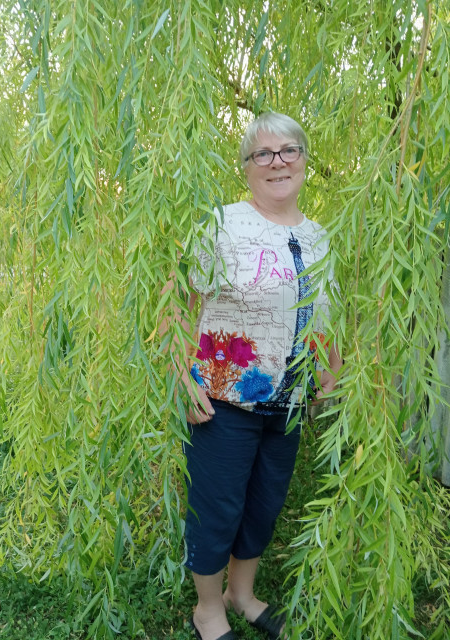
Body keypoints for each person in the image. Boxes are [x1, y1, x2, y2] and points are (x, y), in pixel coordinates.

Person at [179, 112, 342, 640]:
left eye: (288, 150)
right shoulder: (220, 225)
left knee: (265, 503)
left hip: (290, 401)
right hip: (225, 398)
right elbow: (177, 312)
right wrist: (184, 380)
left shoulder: (320, 237)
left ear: (304, 159)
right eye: (263, 154)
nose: (278, 162)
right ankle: (208, 608)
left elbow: (325, 315)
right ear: (246, 167)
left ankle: (242, 594)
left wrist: (332, 378)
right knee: (217, 507)